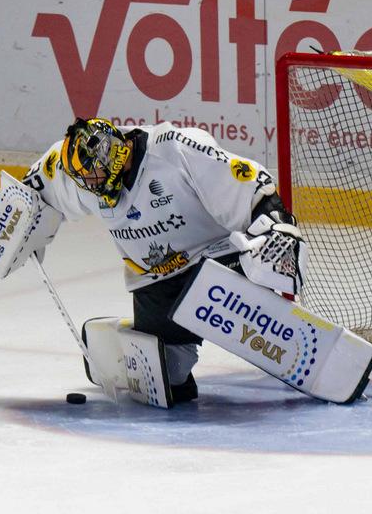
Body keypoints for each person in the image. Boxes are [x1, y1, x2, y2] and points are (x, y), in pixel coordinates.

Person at [19, 117, 307, 404]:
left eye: (93, 176)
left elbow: (246, 181)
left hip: (216, 261)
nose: (89, 185)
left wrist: (275, 223)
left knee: (257, 313)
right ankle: (128, 336)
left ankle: (289, 336)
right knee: (163, 382)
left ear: (113, 155)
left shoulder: (176, 150)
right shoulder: (73, 167)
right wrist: (17, 221)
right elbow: (30, 194)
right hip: (156, 280)